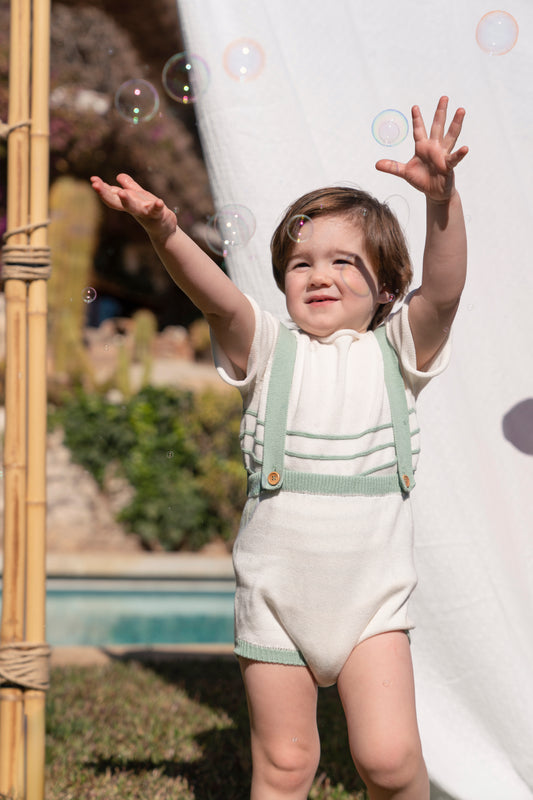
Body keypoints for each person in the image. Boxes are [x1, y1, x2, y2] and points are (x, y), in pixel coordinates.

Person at [91, 95, 468, 800]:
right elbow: (217, 299)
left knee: (389, 760)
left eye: (344, 262)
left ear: (388, 288)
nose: (319, 275)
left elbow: (443, 293)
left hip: (371, 603)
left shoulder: (397, 352)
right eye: (300, 263)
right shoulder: (267, 349)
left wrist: (441, 202)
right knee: (286, 765)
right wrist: (165, 229)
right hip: (275, 600)